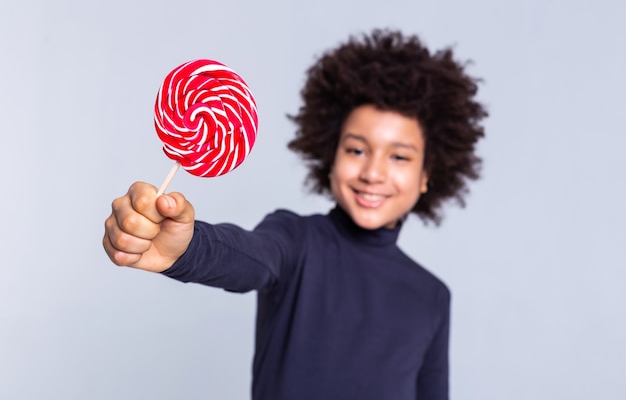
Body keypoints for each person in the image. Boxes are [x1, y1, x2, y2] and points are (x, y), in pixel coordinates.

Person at [103, 28, 487, 400]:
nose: (373, 173)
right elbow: (251, 256)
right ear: (330, 156)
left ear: (427, 175)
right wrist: (187, 249)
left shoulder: (432, 297)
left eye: (399, 156)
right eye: (356, 150)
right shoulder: (296, 241)